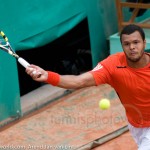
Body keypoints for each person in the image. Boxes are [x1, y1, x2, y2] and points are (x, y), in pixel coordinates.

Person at [26, 24, 150, 150]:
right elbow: (78, 81)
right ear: (122, 46)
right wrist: (47, 76)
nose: (132, 47)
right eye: (127, 44)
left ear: (144, 43)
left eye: (136, 42)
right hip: (136, 125)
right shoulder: (113, 65)